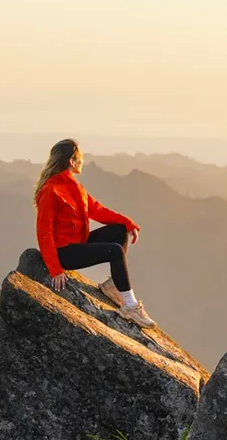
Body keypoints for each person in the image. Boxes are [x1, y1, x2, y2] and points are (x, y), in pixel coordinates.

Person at [33, 137, 154, 328]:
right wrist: (55, 269)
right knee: (114, 251)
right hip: (65, 252)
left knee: (119, 231)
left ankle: (113, 285)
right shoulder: (51, 191)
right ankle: (130, 306)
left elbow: (97, 210)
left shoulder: (74, 187)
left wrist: (128, 223)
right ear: (71, 161)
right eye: (80, 157)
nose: (82, 161)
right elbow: (44, 232)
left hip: (78, 242)